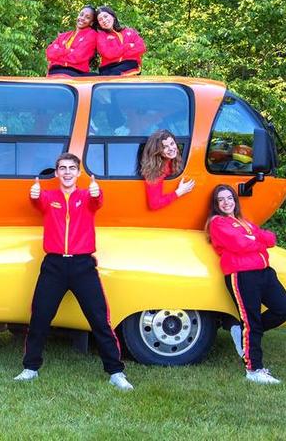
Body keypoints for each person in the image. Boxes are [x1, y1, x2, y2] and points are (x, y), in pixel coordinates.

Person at [15, 153, 134, 391]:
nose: (67, 172)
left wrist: (96, 192)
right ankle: (30, 368)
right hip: (54, 265)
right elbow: (36, 203)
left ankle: (116, 372)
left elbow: (97, 202)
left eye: (71, 168)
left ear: (78, 173)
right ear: (57, 173)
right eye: (62, 168)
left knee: (100, 320)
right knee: (40, 317)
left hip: (83, 266)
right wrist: (34, 195)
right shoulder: (48, 197)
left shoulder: (86, 196)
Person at [207, 184, 286, 384]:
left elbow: (271, 238)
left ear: (235, 201)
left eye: (230, 198)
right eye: (221, 199)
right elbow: (240, 244)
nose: (226, 202)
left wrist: (254, 238)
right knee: (252, 321)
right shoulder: (217, 223)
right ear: (216, 204)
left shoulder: (244, 222)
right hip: (243, 275)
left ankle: (242, 332)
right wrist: (257, 239)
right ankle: (254, 370)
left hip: (265, 272)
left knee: (284, 309)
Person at [140, 130, 195, 210]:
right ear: (157, 151)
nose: (171, 148)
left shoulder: (173, 158)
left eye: (172, 144)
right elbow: (154, 204)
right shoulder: (156, 170)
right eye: (165, 147)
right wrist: (179, 192)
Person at [45, 5, 99, 77]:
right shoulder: (64, 35)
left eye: (87, 17)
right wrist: (68, 51)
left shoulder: (92, 34)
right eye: (81, 15)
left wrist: (58, 52)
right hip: (55, 70)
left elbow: (77, 57)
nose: (82, 18)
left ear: (91, 22)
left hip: (74, 72)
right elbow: (49, 53)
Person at [94, 6, 146, 76]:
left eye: (105, 16)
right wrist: (128, 46)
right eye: (100, 19)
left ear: (113, 16)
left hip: (130, 67)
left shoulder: (129, 31)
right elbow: (108, 53)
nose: (104, 20)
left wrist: (119, 54)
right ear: (99, 24)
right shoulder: (101, 36)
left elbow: (141, 47)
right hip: (108, 69)